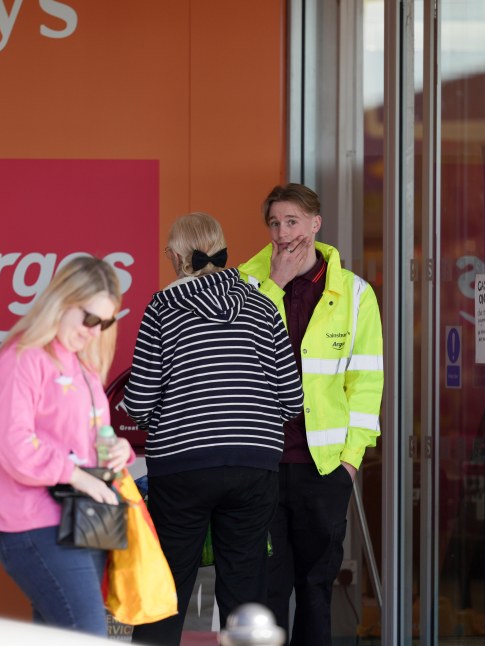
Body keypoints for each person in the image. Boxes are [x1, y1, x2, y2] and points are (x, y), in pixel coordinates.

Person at [125, 212, 304, 646]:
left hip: (183, 465)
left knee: (167, 587)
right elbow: (294, 398)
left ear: (174, 256)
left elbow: (140, 401)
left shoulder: (162, 308)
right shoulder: (261, 304)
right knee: (245, 588)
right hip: (255, 463)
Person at [238, 183, 384, 644]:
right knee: (268, 588)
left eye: (292, 222)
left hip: (324, 467)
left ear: (316, 224)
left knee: (316, 587)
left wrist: (350, 460)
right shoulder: (245, 283)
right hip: (261, 463)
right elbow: (236, 362)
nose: (282, 233)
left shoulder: (356, 294)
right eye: (275, 223)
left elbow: (365, 382)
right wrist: (274, 286)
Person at [0, 256, 134, 636]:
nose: (95, 331)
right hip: (35, 523)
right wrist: (78, 477)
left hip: (82, 522)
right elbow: (13, 444)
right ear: (63, 300)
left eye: (105, 322)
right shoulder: (23, 356)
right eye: (89, 318)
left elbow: (90, 438)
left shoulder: (82, 364)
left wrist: (118, 449)